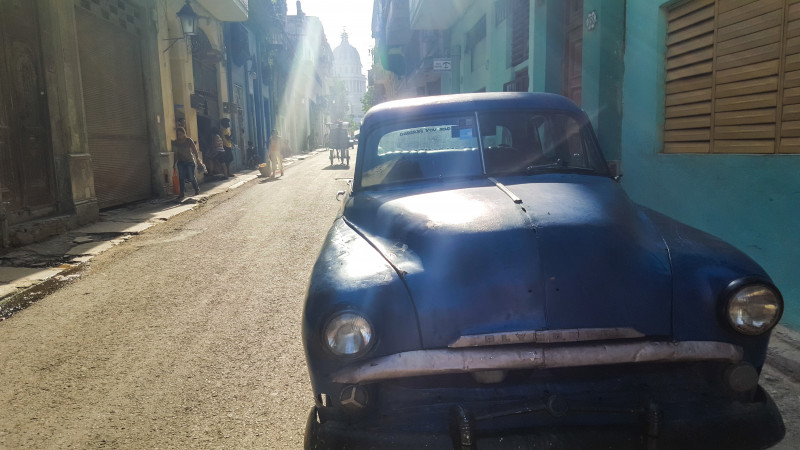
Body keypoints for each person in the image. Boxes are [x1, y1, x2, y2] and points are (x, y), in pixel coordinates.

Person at [172, 127, 201, 200]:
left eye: (181, 134)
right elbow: (175, 154)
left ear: (184, 133)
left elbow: (194, 150)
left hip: (189, 161)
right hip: (180, 162)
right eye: (178, 134)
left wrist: (197, 159)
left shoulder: (189, 140)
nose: (179, 136)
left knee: (191, 176)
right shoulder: (176, 142)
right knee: (181, 178)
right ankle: (182, 194)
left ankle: (197, 189)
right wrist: (174, 163)